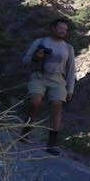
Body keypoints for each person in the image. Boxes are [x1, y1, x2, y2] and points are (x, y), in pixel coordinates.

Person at [20, 18, 76, 154]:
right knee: (35, 102)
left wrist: (70, 88)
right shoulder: (40, 42)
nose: (63, 31)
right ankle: (26, 131)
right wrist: (36, 57)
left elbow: (71, 69)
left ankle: (52, 144)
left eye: (65, 29)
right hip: (39, 76)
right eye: (60, 28)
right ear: (53, 28)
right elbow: (26, 60)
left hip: (58, 80)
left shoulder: (68, 48)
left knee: (57, 105)